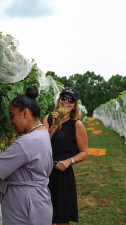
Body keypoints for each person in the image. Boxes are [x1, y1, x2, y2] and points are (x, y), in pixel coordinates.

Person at [0, 86, 53, 225]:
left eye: (12, 115)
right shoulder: (43, 134)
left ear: (25, 113)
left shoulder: (27, 142)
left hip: (26, 209)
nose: (10, 121)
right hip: (37, 204)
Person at [43, 87, 88, 225]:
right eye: (64, 98)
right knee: (45, 216)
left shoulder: (77, 125)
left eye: (71, 100)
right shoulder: (48, 119)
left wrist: (69, 161)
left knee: (62, 219)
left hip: (63, 175)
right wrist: (54, 127)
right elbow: (41, 145)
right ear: (59, 100)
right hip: (45, 173)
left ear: (74, 106)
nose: (66, 102)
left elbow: (84, 152)